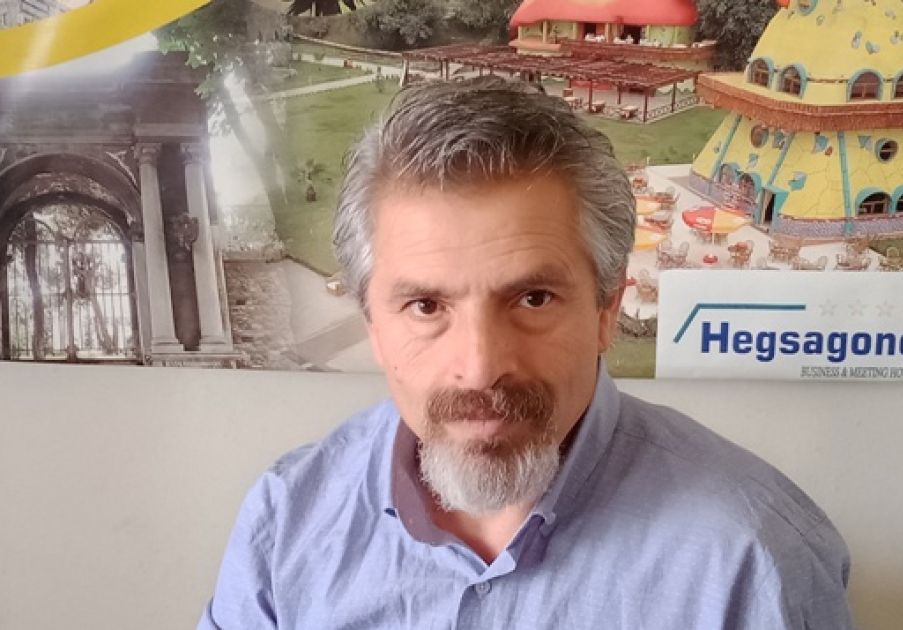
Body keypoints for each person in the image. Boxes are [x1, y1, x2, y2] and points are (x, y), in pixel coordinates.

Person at [198, 77, 854, 629]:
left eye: (533, 299)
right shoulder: (287, 521)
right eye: (426, 306)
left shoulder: (754, 558)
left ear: (606, 308)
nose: (481, 367)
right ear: (373, 323)